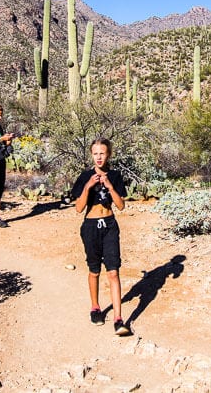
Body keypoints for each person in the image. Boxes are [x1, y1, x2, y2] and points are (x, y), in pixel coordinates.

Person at [70, 138, 130, 335]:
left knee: (113, 271)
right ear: (91, 155)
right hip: (90, 226)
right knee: (94, 270)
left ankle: (118, 319)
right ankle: (95, 307)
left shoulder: (115, 175)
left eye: (102, 153)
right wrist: (87, 186)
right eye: (95, 153)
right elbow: (79, 209)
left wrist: (110, 186)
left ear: (108, 154)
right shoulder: (85, 176)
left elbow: (121, 206)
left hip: (110, 225)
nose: (99, 157)